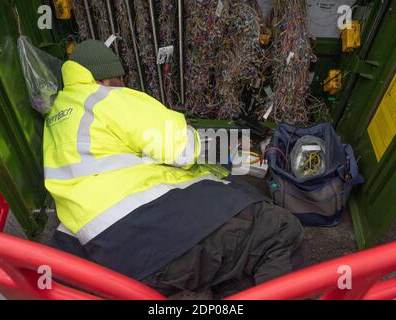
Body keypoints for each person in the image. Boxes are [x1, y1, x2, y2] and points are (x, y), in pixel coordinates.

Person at [45, 40, 304, 298]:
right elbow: (180, 147)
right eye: (120, 79)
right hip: (159, 235)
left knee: (211, 278)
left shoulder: (57, 118)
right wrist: (229, 148)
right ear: (105, 78)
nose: (123, 85)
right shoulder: (105, 98)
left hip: (114, 262)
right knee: (278, 229)